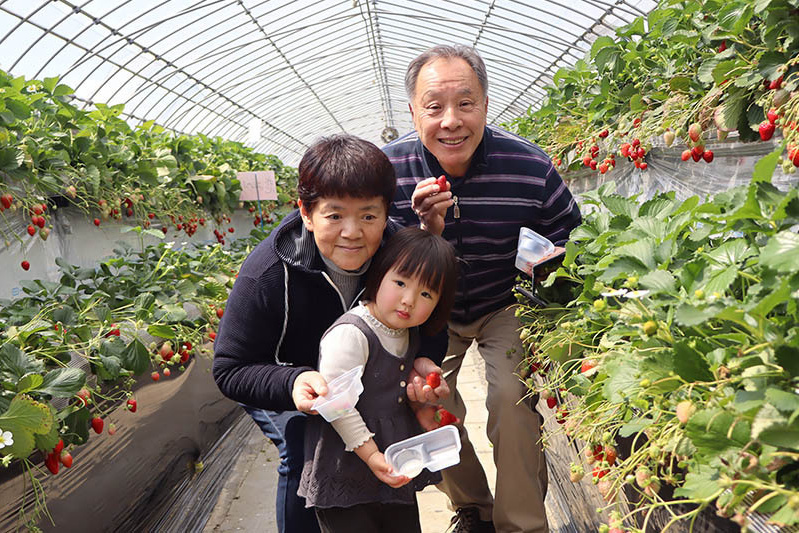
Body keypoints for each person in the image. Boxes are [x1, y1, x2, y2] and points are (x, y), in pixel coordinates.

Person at [383, 45, 583, 533]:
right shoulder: (386, 172)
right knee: (427, 399)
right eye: (434, 106)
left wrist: (546, 269)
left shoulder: (530, 167)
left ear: (486, 106)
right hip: (429, 310)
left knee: (512, 401)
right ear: (413, 112)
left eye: (466, 103)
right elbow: (368, 255)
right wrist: (417, 228)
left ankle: (522, 524)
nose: (451, 120)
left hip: (503, 302)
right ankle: (473, 508)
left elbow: (573, 237)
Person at [212, 134, 450, 533]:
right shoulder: (269, 272)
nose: (352, 232)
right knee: (302, 448)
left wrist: (420, 366)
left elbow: (430, 322)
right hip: (287, 376)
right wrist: (293, 381)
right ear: (306, 212)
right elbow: (230, 368)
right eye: (334, 215)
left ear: (386, 212)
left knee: (378, 447)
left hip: (365, 377)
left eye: (369, 216)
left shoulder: (398, 254)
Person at [298, 226, 459, 533]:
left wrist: (422, 389)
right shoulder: (352, 334)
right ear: (379, 275)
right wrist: (372, 455)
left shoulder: (407, 333)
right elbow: (337, 406)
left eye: (426, 293)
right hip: (345, 469)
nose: (408, 300)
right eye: (400, 282)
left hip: (392, 465)